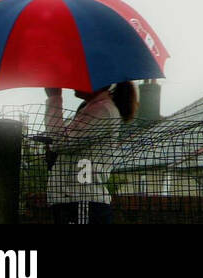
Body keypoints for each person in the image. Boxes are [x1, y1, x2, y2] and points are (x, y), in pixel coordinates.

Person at [44, 82, 137, 224]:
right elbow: (68, 146)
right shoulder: (92, 108)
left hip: (81, 200)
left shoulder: (102, 110)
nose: (73, 82)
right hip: (74, 199)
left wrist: (54, 97)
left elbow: (63, 142)